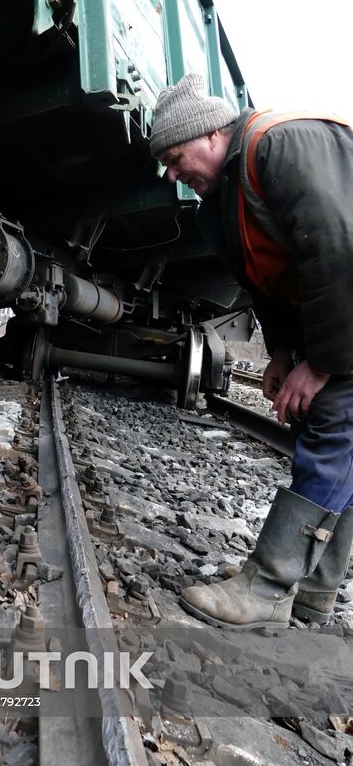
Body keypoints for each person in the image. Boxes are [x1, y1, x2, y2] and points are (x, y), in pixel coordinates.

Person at [149, 72, 353, 631]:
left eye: (175, 156)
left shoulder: (281, 146)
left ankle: (267, 588)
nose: (171, 174)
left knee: (335, 420)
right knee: (336, 436)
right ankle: (314, 590)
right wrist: (284, 353)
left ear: (212, 136)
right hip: (337, 308)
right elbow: (266, 283)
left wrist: (324, 364)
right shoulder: (219, 205)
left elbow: (336, 252)